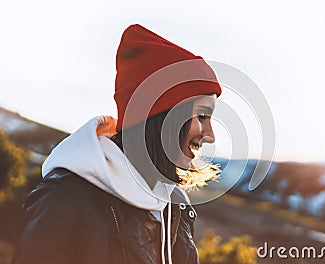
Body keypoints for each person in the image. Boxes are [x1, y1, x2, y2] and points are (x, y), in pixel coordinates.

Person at [11, 24, 222, 264]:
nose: (210, 135)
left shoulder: (175, 206)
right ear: (163, 118)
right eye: (202, 117)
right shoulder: (64, 200)